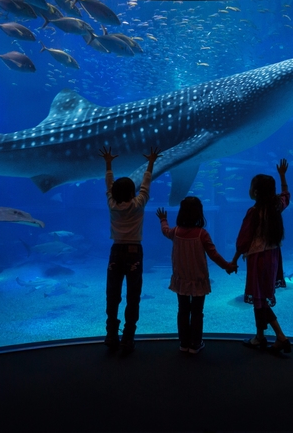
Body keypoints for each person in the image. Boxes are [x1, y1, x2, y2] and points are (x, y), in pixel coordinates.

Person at [99, 145, 161, 355]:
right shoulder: (138, 204)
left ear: (114, 193)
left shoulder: (111, 204)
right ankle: (128, 337)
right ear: (133, 193)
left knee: (112, 293)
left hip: (116, 251)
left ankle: (110, 334)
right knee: (133, 295)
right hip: (134, 251)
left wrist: (108, 163)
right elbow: (146, 185)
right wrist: (150, 163)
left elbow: (109, 185)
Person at [156, 198, 236, 354]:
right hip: (198, 280)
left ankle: (184, 343)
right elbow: (214, 255)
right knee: (197, 312)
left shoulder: (176, 231)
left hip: (182, 279)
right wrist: (227, 266)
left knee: (183, 310)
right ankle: (195, 343)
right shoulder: (202, 234)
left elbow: (165, 231)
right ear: (200, 214)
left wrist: (163, 220)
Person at [231, 158, 292, 355]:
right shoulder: (275, 206)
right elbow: (286, 196)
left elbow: (243, 240)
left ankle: (281, 337)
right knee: (260, 298)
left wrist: (233, 259)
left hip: (258, 259)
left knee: (260, 299)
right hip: (273, 257)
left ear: (256, 192)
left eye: (251, 187)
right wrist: (282, 176)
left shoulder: (254, 212)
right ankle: (259, 336)